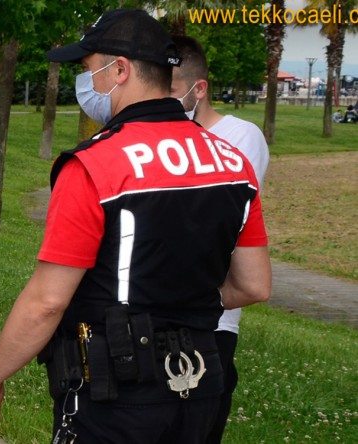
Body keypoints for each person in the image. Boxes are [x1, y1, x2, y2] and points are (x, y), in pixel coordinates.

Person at [0, 9, 271, 443]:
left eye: (90, 69)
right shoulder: (232, 163)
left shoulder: (93, 164)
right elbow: (255, 284)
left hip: (117, 389)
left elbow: (47, 302)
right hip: (201, 382)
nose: (87, 82)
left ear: (120, 70)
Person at [170, 35, 269, 444]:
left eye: (172, 91)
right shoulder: (165, 137)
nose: (164, 99)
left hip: (214, 319)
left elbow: (215, 225)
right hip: (156, 316)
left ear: (199, 88)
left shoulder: (241, 138)